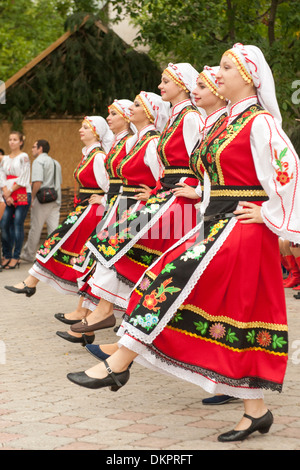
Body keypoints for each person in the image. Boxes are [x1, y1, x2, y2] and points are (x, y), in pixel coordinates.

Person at [67, 44, 300, 443]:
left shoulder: (259, 122)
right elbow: (211, 172)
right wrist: (200, 193)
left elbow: (287, 169)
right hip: (215, 221)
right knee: (234, 318)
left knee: (169, 281)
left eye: (226, 68)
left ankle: (119, 361)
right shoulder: (223, 122)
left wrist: (273, 217)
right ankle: (256, 410)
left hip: (243, 228)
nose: (217, 74)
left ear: (248, 77)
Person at [68, 64, 205, 337]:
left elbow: (202, 156)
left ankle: (109, 314)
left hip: (179, 200)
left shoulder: (189, 117)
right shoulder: (175, 120)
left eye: (166, 81)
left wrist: (199, 190)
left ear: (180, 83)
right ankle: (109, 313)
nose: (161, 85)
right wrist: (155, 191)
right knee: (111, 242)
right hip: (164, 198)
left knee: (119, 241)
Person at [56, 92, 169, 344]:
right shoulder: (136, 141)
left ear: (150, 112)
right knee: (105, 256)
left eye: (137, 106)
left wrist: (156, 193)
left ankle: (105, 316)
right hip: (125, 206)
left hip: (140, 208)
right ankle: (99, 316)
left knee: (113, 256)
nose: (130, 110)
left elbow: (165, 172)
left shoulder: (150, 141)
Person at [4, 117, 114, 309]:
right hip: (84, 208)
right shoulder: (88, 155)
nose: (81, 130)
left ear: (96, 132)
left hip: (92, 211)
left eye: (86, 127)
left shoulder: (98, 157)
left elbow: (110, 185)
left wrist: (103, 200)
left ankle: (33, 282)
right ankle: (81, 309)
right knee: (70, 248)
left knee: (58, 241)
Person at [20, 140, 62, 263]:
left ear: (40, 149)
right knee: (54, 229)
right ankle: (54, 255)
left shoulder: (38, 161)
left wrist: (32, 197)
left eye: (34, 147)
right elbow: (59, 182)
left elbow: (37, 182)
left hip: (42, 199)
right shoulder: (56, 163)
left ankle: (28, 254)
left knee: (35, 228)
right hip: (56, 199)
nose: (32, 149)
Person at [0, 131, 31, 269]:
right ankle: (6, 254)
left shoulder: (24, 157)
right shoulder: (5, 158)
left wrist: (10, 191)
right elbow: (1, 175)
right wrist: (5, 193)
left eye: (15, 139)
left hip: (22, 192)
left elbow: (24, 177)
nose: (12, 142)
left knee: (18, 224)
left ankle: (16, 256)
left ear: (20, 142)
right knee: (4, 224)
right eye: (10, 139)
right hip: (7, 194)